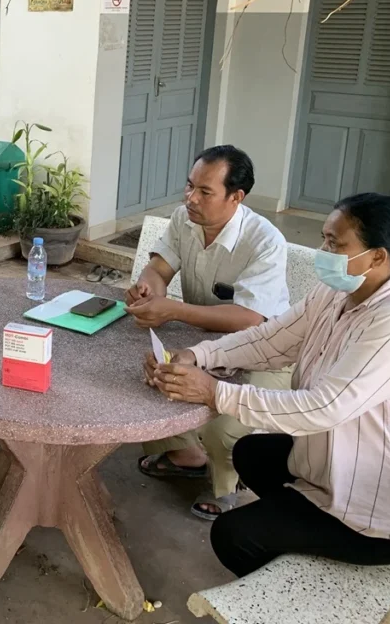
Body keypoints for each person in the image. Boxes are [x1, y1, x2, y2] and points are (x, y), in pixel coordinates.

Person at [149, 192, 390, 576]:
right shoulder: (337, 293)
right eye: (325, 239)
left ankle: (300, 571)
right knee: (250, 453)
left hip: (386, 508)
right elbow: (271, 339)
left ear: (377, 257)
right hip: (344, 461)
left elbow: (324, 407)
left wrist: (213, 392)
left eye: (335, 244)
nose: (323, 252)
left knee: (233, 535)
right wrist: (197, 355)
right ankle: (298, 531)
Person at [127, 145, 291, 520]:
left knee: (226, 423)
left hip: (265, 351)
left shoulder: (264, 240)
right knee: (151, 376)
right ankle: (187, 456)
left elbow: (250, 319)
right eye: (190, 186)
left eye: (205, 191)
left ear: (236, 197)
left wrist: (172, 310)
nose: (191, 198)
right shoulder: (183, 219)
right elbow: (159, 268)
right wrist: (149, 290)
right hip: (202, 340)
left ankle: (227, 487)